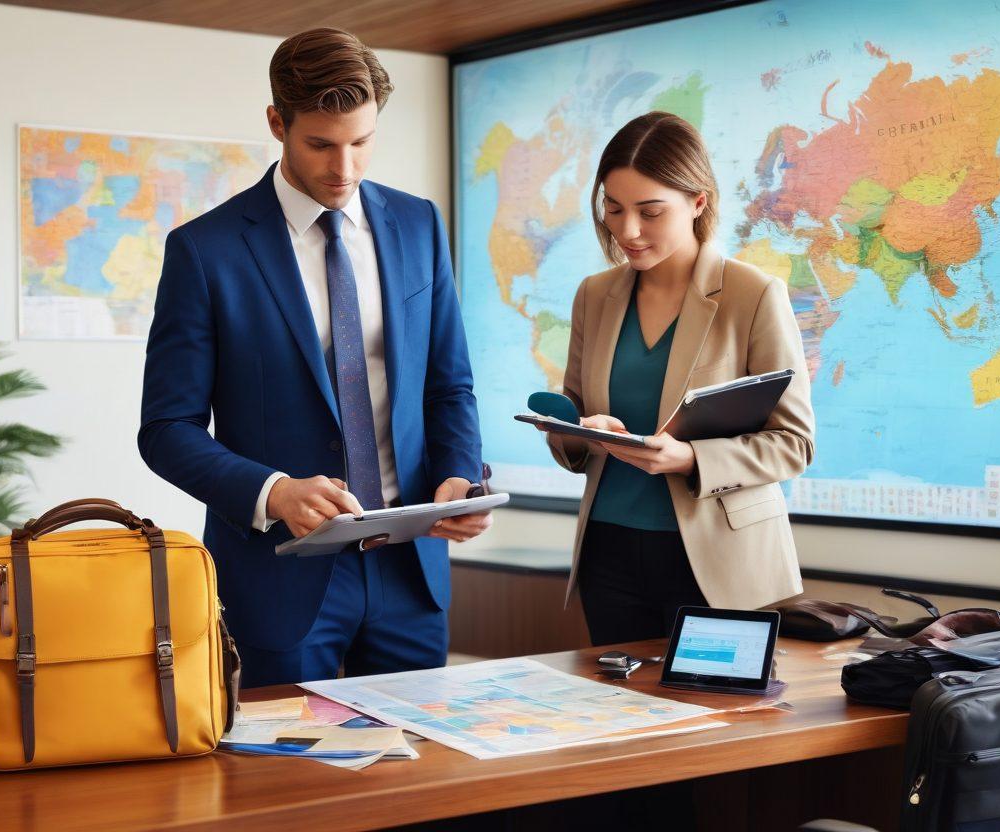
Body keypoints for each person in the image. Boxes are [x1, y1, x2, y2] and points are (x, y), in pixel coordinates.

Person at [139, 28, 492, 687]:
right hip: (280, 577)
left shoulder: (420, 226)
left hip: (412, 570)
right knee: (285, 783)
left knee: (415, 780)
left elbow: (449, 387)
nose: (345, 168)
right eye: (321, 144)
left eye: (362, 142)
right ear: (278, 123)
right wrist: (273, 493)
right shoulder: (205, 251)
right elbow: (166, 431)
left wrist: (456, 477)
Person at [544, 111, 815, 647]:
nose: (627, 231)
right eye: (614, 209)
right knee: (623, 714)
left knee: (714, 724)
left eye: (649, 212)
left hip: (719, 559)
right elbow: (571, 411)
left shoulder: (753, 295)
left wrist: (691, 459)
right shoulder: (594, 295)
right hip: (609, 552)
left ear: (698, 201)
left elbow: (794, 443)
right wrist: (574, 428)